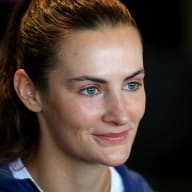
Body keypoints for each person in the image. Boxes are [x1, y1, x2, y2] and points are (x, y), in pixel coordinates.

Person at [0, 0, 154, 191]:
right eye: (90, 90)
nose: (120, 116)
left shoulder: (139, 187)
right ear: (29, 92)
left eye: (131, 85)